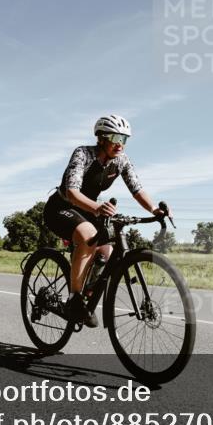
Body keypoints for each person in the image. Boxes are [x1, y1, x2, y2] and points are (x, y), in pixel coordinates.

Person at [42, 115, 168, 327]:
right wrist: (98, 207)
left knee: (107, 251)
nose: (120, 144)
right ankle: (74, 300)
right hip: (61, 207)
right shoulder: (83, 154)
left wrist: (155, 209)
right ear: (101, 138)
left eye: (124, 139)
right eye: (115, 137)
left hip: (90, 210)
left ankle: (87, 293)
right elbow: (72, 192)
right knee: (88, 235)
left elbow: (137, 190)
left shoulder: (121, 161)